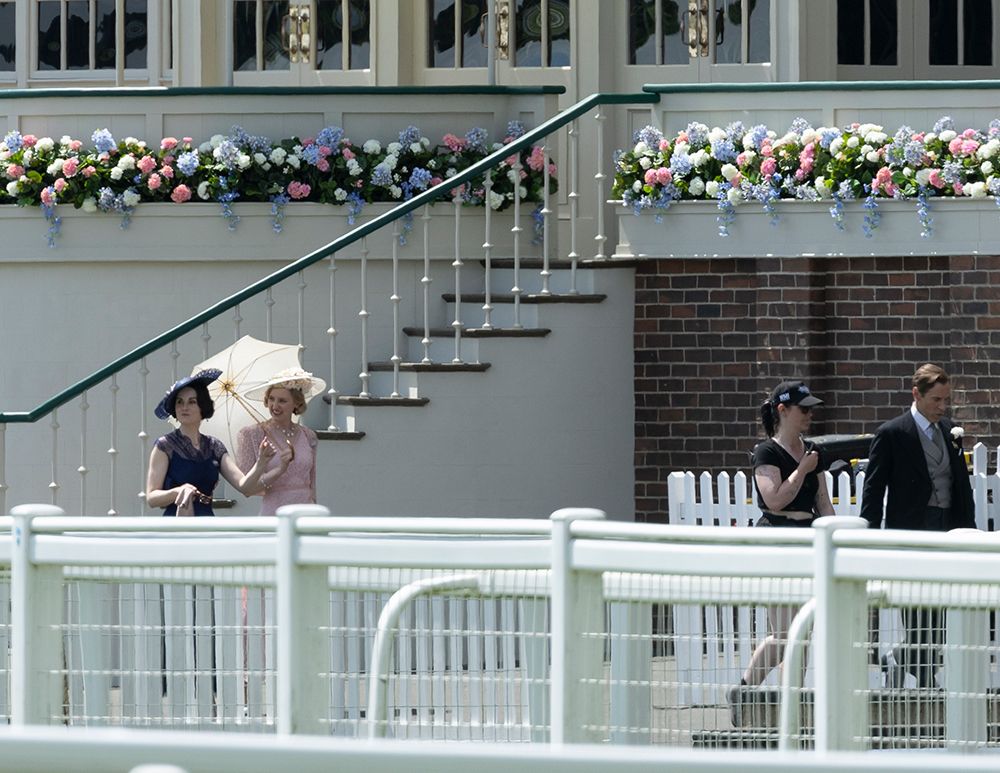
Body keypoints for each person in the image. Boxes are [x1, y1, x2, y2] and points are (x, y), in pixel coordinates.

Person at [860, 363, 976, 688]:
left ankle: (904, 660)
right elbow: (873, 489)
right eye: (936, 400)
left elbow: (960, 486)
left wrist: (969, 528)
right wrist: (866, 539)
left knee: (940, 607)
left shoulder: (950, 431)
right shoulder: (892, 433)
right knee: (916, 608)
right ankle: (925, 681)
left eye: (945, 400)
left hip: (945, 528)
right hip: (911, 530)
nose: (942, 407)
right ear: (917, 394)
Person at [729, 380, 835, 725]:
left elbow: (822, 502)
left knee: (800, 631)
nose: (809, 415)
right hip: (777, 539)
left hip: (808, 539)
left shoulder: (812, 449)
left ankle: (792, 706)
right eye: (803, 409)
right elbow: (773, 499)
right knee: (786, 632)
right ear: (783, 411)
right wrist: (802, 469)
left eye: (811, 409)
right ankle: (751, 691)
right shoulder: (766, 453)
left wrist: (837, 537)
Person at [146, 369, 276, 516]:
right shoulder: (165, 445)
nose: (184, 407)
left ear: (202, 406)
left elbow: (244, 486)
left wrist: (261, 463)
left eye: (192, 402)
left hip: (206, 523)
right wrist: (178, 491)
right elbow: (151, 498)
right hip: (176, 524)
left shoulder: (214, 446)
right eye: (179, 402)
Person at [236, 368, 324, 516]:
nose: (275, 406)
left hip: (306, 514)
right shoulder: (253, 434)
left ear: (296, 403)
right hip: (274, 513)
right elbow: (248, 490)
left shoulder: (308, 436)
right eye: (271, 399)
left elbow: (312, 483)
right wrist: (278, 470)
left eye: (282, 401)